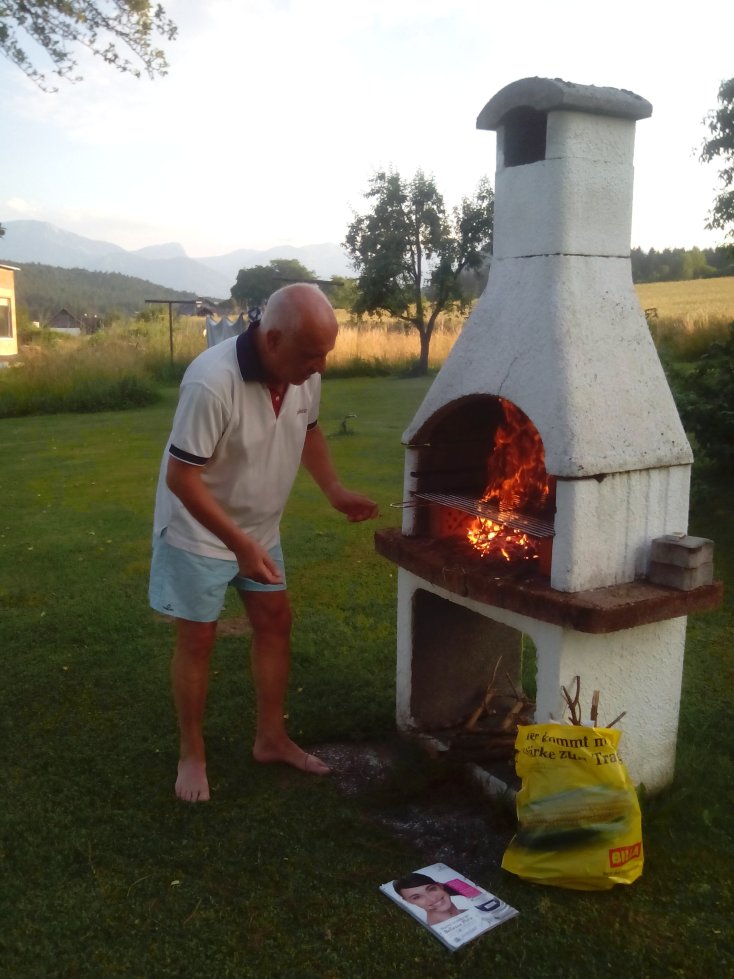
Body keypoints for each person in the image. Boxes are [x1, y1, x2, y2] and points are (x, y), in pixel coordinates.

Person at [149, 283, 378, 802]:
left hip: (258, 531)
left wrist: (335, 489)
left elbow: (311, 431)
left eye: (325, 354)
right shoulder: (212, 382)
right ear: (271, 339)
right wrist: (238, 545)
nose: (319, 367)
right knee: (198, 638)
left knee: (275, 623)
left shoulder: (303, 374)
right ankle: (192, 753)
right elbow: (181, 477)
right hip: (197, 533)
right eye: (309, 355)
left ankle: (271, 739)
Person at [393, 874, 466, 926]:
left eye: (431, 889)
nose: (433, 899)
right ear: (408, 901)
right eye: (416, 897)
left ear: (440, 886)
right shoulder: (443, 928)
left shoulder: (466, 906)